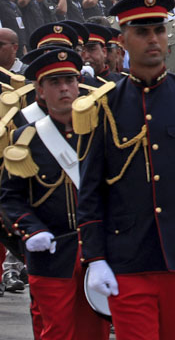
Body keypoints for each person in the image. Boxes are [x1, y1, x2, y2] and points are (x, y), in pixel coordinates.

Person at [76, 0, 175, 340]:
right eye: (142, 32)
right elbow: (92, 187)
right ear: (122, 40)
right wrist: (95, 255)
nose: (153, 39)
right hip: (127, 254)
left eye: (159, 30)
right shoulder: (104, 107)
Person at [0, 48, 110, 340]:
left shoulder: (101, 134)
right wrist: (30, 231)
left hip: (98, 250)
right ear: (40, 90)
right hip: (51, 251)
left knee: (94, 331)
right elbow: (10, 198)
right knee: (55, 332)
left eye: (69, 81)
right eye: (54, 82)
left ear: (79, 85)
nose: (64, 88)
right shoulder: (25, 139)